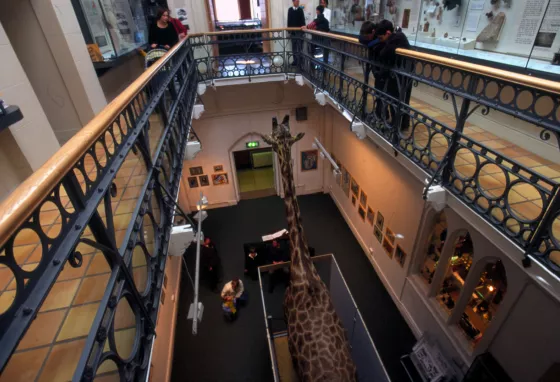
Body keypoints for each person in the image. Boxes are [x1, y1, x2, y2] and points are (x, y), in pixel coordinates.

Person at [375, 19, 411, 131]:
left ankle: (397, 127)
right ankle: (399, 125)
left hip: (402, 76)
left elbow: (384, 53)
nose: (381, 41)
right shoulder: (395, 39)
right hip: (399, 74)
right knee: (396, 99)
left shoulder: (397, 38)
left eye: (381, 38)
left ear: (388, 33)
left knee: (397, 99)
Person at [287, 0, 306, 65]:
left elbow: (303, 20)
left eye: (298, 1)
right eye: (296, 1)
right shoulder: (290, 10)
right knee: (294, 48)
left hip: (299, 32)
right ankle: (295, 61)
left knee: (300, 47)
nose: (297, 3)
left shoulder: (300, 10)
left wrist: (303, 31)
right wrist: (289, 31)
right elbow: (289, 20)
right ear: (293, 1)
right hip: (293, 32)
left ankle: (300, 61)